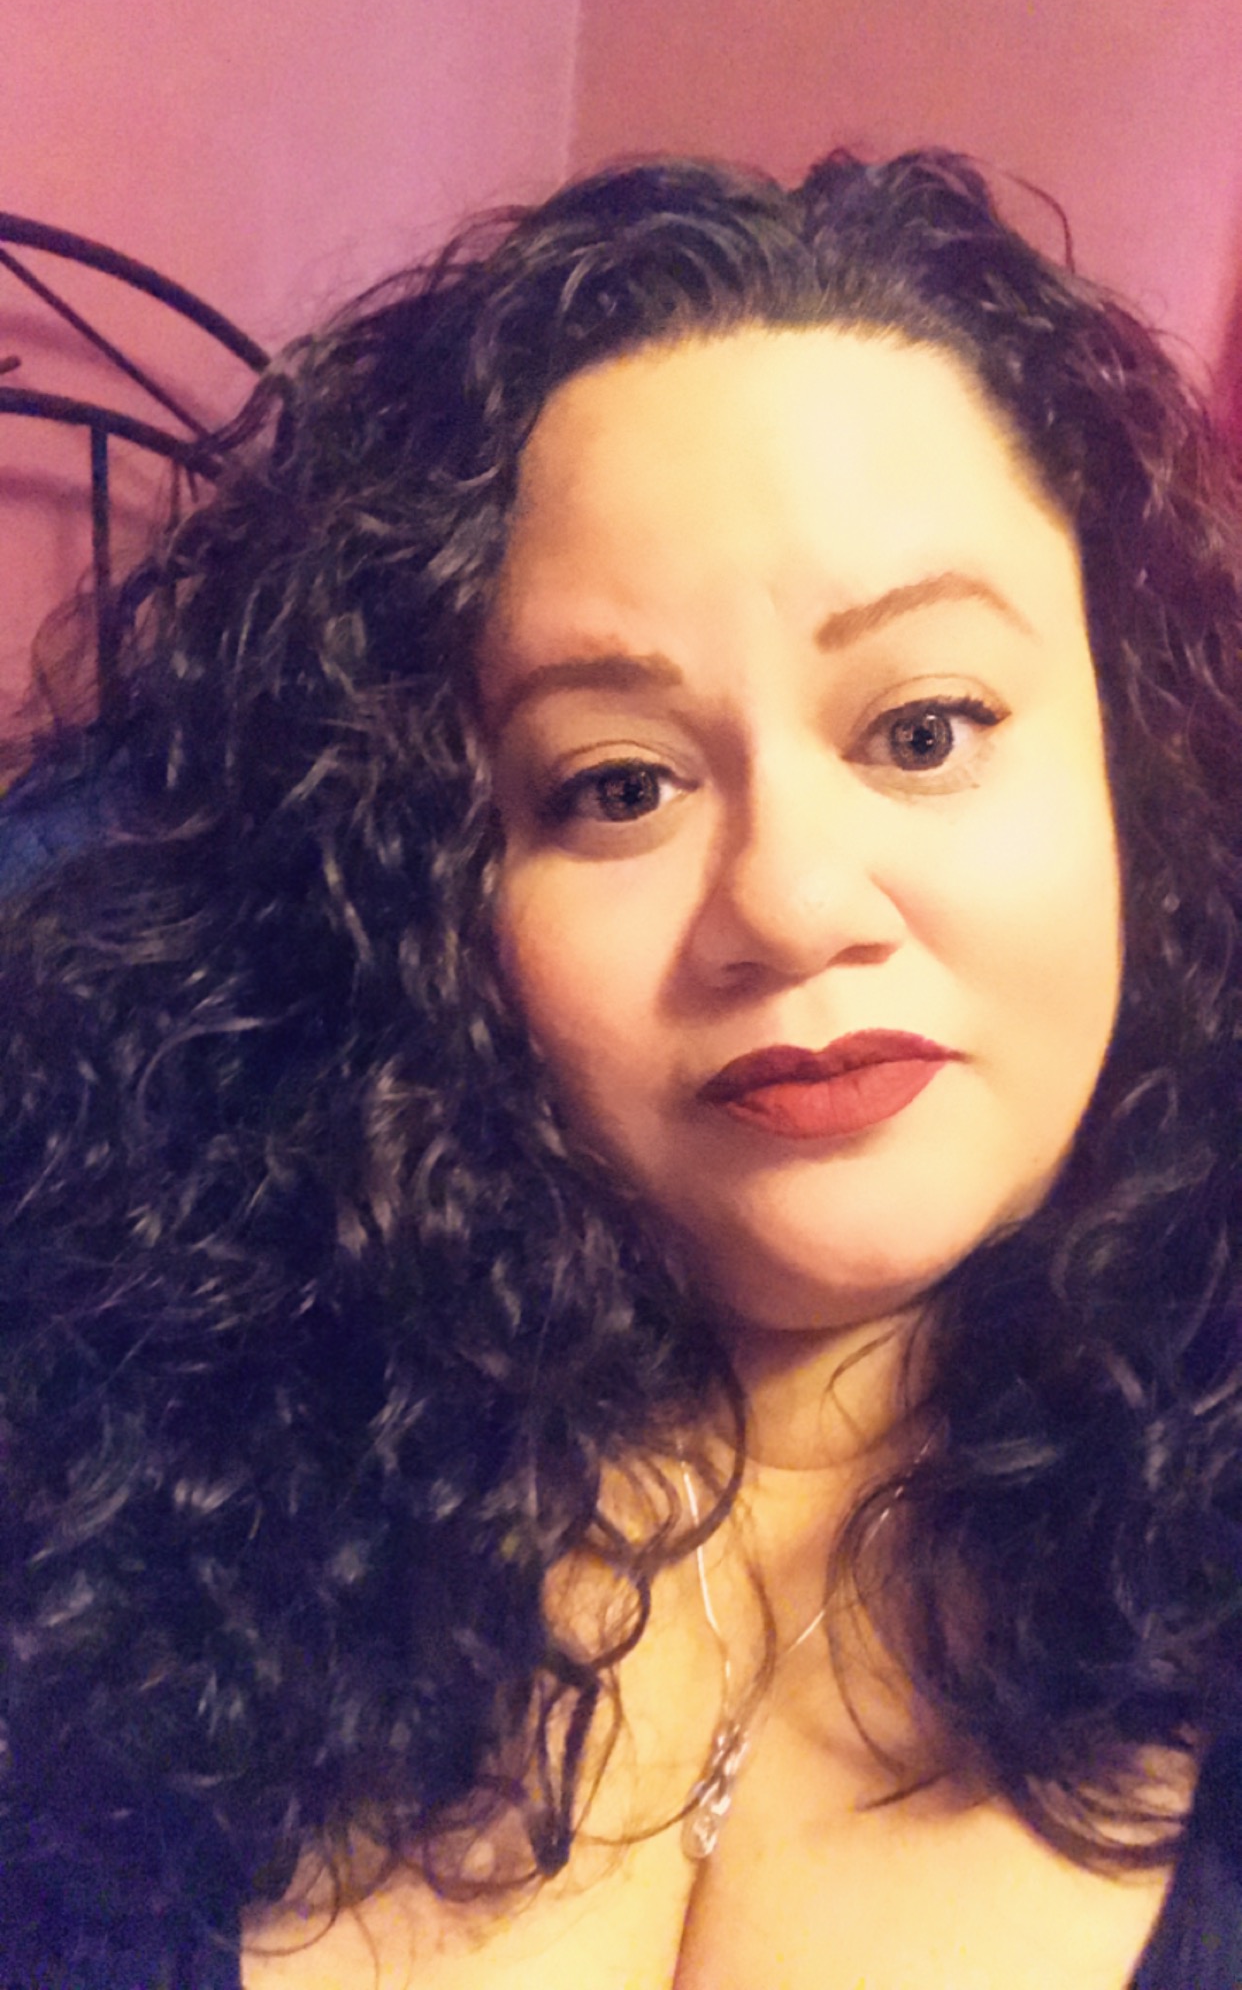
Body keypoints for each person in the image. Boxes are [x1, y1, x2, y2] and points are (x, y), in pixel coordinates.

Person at [2, 150, 1241, 1989]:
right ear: (428, 889)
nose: (787, 906)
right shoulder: (133, 1497)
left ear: (1138, 778)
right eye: (617, 785)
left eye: (922, 729)